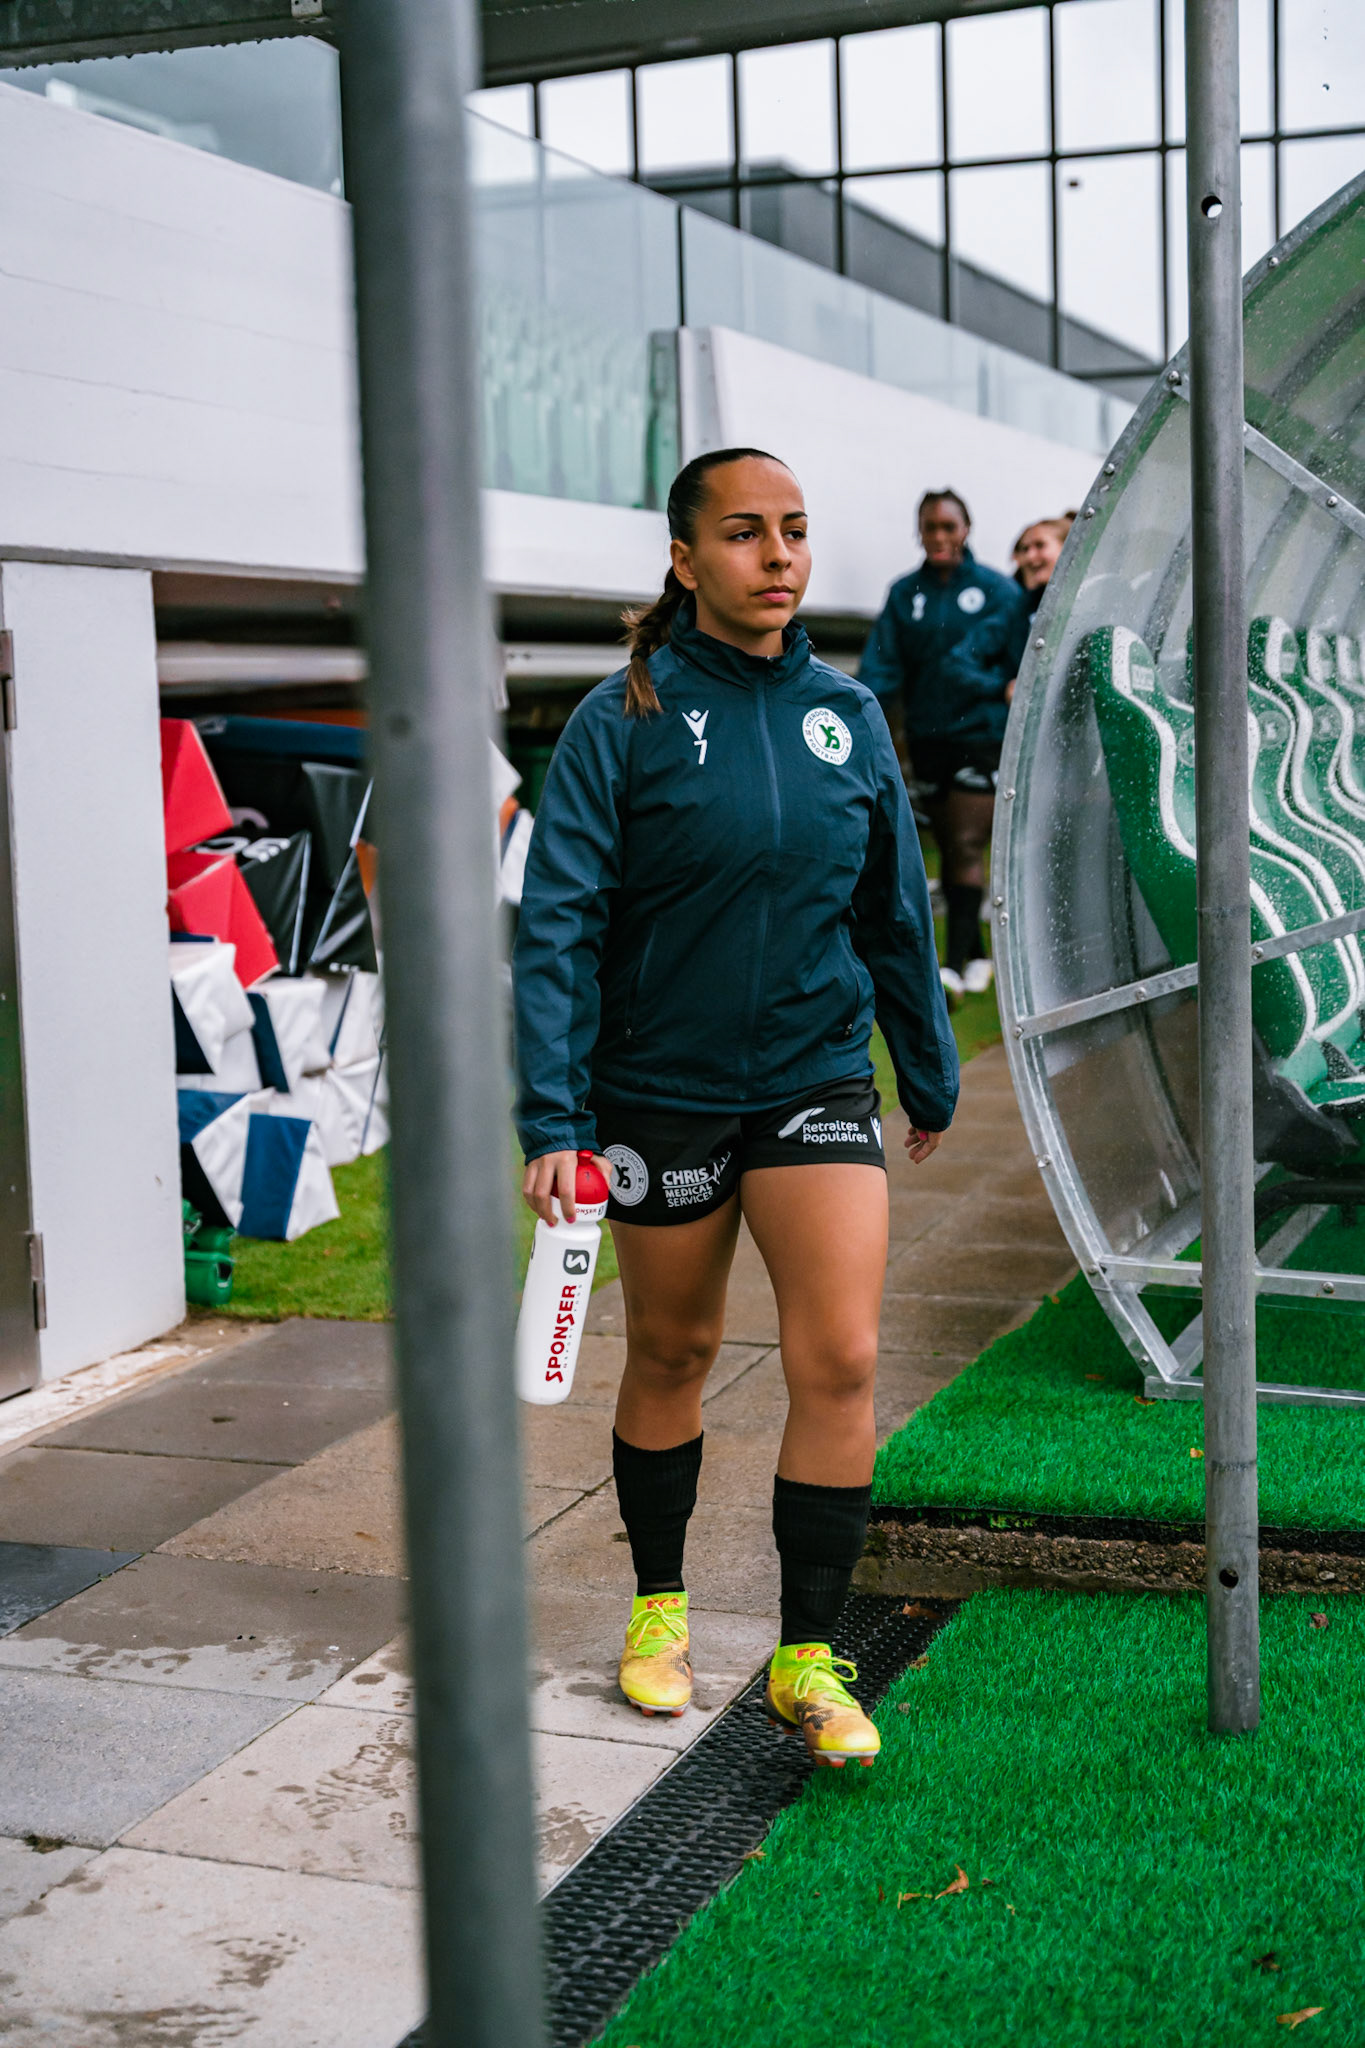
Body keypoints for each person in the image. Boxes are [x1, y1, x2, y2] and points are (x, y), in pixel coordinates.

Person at [514, 448, 958, 1769]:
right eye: (748, 534)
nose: (778, 557)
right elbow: (559, 924)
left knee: (843, 1359)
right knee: (672, 1354)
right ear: (685, 559)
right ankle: (658, 1613)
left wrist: (921, 1064)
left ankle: (806, 1658)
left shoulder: (849, 718)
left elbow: (893, 905)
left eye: (797, 533)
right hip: (658, 1096)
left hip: (814, 1080)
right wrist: (553, 1118)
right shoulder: (622, 718)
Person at [859, 490, 1030, 1003]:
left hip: (980, 736)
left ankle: (952, 964)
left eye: (948, 527)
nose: (938, 537)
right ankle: (975, 952)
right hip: (927, 738)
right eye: (929, 527)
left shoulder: (998, 592)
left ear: (966, 529)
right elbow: (882, 667)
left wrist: (996, 688)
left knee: (963, 844)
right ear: (919, 532)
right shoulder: (903, 594)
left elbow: (1014, 662)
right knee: (947, 846)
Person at [1012, 516, 1069, 614]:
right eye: (1025, 549)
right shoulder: (1014, 609)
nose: (1030, 556)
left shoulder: (1091, 596)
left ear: (1067, 547)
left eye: (1040, 545)